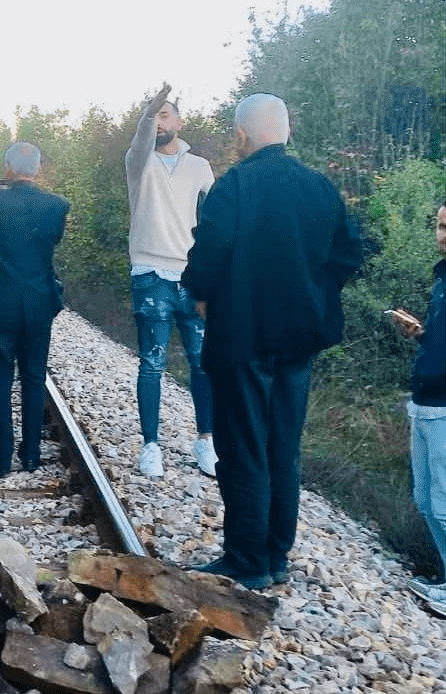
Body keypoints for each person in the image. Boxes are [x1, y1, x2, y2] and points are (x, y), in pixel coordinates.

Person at [181, 93, 363, 589]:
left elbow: (208, 257)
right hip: (300, 341)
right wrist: (314, 292)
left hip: (242, 338)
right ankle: (276, 555)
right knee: (284, 447)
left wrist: (201, 294)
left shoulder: (234, 186)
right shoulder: (321, 188)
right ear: (287, 132)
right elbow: (350, 255)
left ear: (242, 135)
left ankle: (247, 561)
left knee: (244, 448)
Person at [126, 83, 217, 478]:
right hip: (150, 274)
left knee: (203, 363)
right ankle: (151, 446)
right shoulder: (138, 161)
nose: (159, 121)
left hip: (192, 276)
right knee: (152, 363)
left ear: (179, 122)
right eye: (153, 116)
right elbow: (143, 136)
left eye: (165, 114)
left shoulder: (199, 167)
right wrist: (149, 111)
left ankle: (205, 442)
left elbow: (216, 218)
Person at [0, 141, 70, 478]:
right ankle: (31, 456)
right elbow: (51, 241)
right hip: (38, 300)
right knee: (34, 377)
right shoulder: (57, 205)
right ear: (37, 169)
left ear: (8, 168)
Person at [393, 201, 446, 599]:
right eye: (440, 226)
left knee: (443, 503)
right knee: (424, 501)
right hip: (423, 400)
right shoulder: (441, 278)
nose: (442, 235)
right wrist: (420, 333)